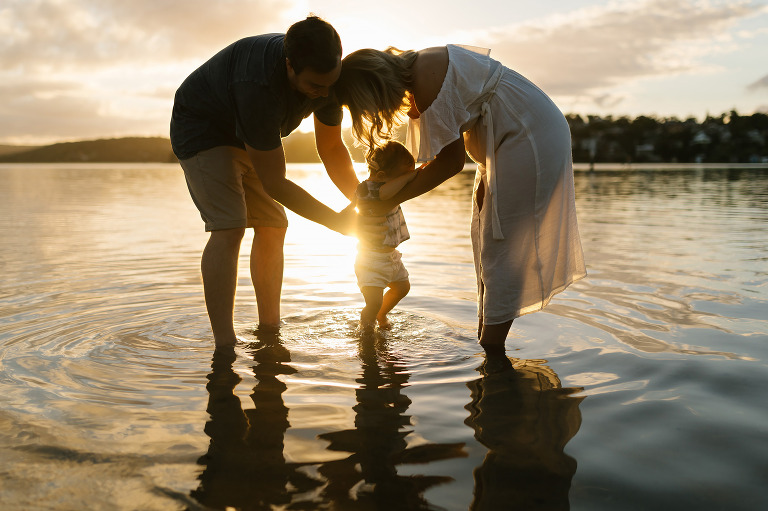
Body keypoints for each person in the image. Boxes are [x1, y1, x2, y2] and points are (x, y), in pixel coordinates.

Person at [335, 44, 587, 369]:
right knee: (484, 233)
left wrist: (384, 202)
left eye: (362, 104)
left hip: (528, 133)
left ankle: (492, 347)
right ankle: (488, 341)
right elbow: (430, 163)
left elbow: (450, 164)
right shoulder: (416, 77)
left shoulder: (424, 79)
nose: (369, 112)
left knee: (502, 242)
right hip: (503, 139)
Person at [170, 16, 360, 347]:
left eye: (331, 83)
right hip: (202, 128)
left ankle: (269, 330)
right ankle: (225, 345)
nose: (325, 94)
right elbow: (276, 183)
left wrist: (364, 200)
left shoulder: (326, 80)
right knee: (230, 226)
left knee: (274, 223)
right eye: (316, 86)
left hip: (248, 136)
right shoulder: (257, 87)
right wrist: (338, 223)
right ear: (289, 66)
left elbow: (331, 148)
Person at [354, 141, 417, 330]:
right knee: (372, 302)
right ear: (381, 176)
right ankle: (366, 327)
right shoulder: (368, 189)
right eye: (403, 177)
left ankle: (380, 314)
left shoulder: (386, 186)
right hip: (371, 261)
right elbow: (384, 193)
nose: (408, 181)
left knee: (402, 288)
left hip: (391, 257)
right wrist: (412, 176)